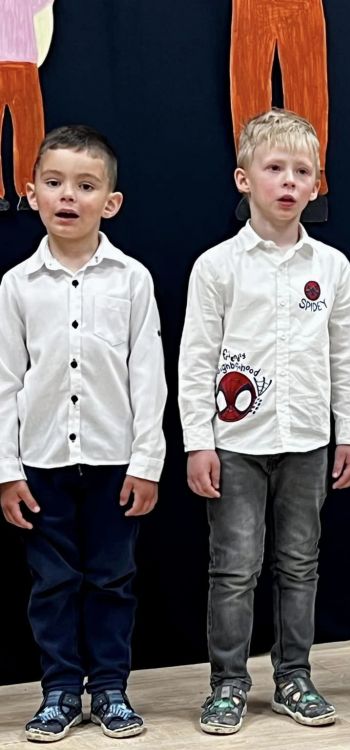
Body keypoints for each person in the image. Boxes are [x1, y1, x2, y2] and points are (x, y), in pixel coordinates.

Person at [178, 109, 350, 734]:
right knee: (235, 568)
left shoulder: (332, 268)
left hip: (308, 442)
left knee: (300, 564)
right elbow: (196, 359)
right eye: (275, 168)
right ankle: (228, 683)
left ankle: (294, 677)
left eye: (302, 171)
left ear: (317, 185)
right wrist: (198, 442)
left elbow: (349, 357)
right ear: (244, 179)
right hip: (235, 444)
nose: (289, 181)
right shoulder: (216, 267)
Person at [0, 125, 167, 741]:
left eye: (86, 185)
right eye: (54, 182)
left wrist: (147, 461)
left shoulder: (132, 279)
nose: (68, 195)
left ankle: (112, 689)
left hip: (113, 461)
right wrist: (6, 470)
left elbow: (148, 375)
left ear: (111, 202)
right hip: (41, 462)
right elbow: (4, 382)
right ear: (31, 193)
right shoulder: (17, 285)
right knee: (52, 585)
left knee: (112, 581)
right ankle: (61, 691)